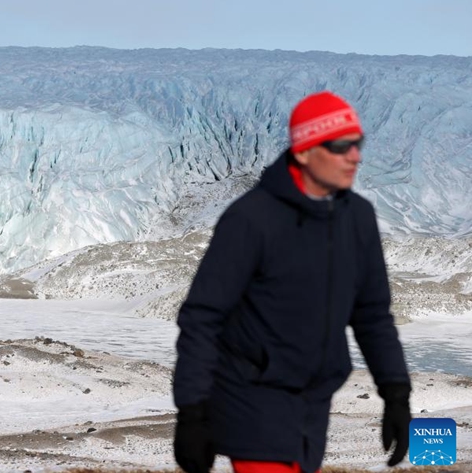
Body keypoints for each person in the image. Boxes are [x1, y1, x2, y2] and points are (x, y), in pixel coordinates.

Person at [172, 91, 412, 473]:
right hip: (251, 397)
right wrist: (192, 411)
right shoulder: (251, 219)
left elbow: (372, 316)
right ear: (303, 152)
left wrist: (396, 392)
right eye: (340, 146)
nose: (355, 156)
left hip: (313, 405)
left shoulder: (358, 219)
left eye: (358, 144)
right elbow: (203, 316)